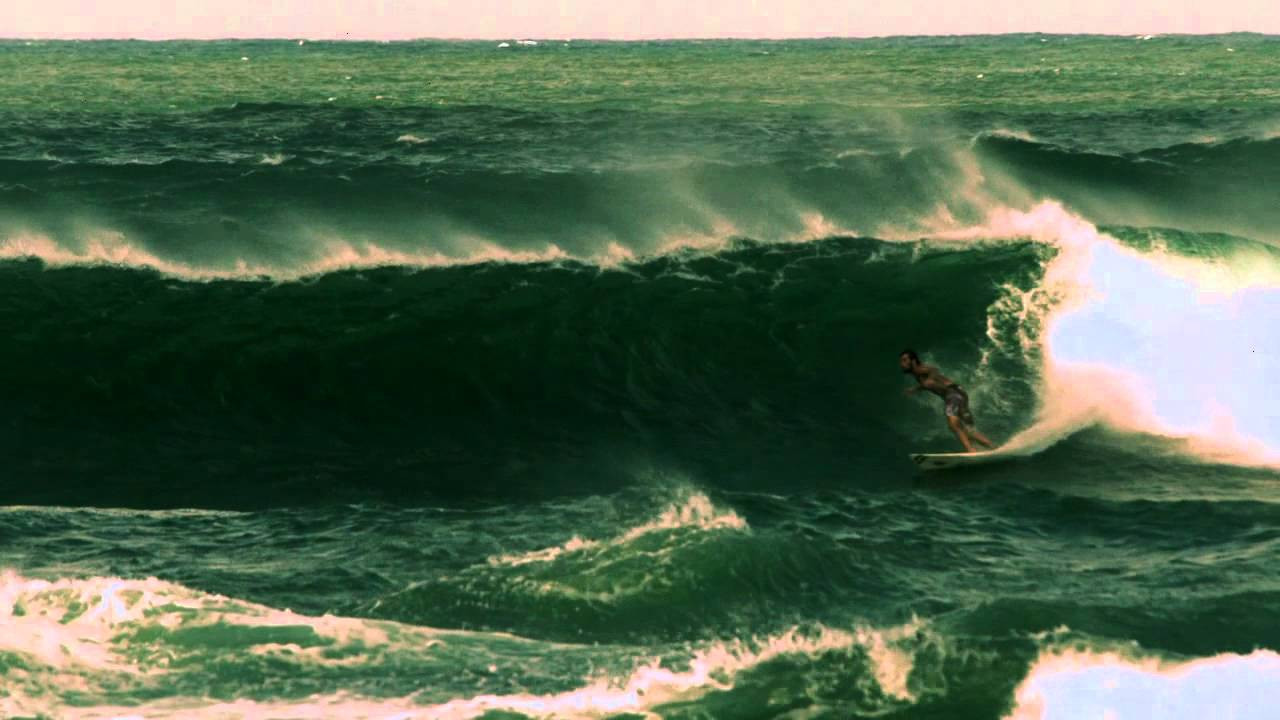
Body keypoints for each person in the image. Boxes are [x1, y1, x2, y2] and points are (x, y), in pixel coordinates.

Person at [899, 349, 995, 453]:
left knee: (953, 424)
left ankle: (971, 450)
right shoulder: (917, 374)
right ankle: (993, 447)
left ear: (913, 361)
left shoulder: (919, 369)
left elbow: (933, 370)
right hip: (959, 393)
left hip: (952, 394)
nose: (902, 364)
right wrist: (916, 389)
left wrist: (931, 378)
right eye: (901, 361)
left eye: (904, 360)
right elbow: (927, 384)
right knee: (966, 429)